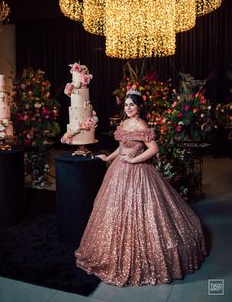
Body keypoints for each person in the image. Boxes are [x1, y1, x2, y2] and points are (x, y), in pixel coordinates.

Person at [75, 89, 207, 287]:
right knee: (114, 210)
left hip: (137, 171)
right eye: (126, 104)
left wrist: (134, 159)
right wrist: (108, 158)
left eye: (132, 105)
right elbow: (121, 147)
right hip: (119, 170)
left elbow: (154, 148)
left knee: (143, 211)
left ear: (139, 107)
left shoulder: (140, 124)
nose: (128, 108)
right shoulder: (125, 123)